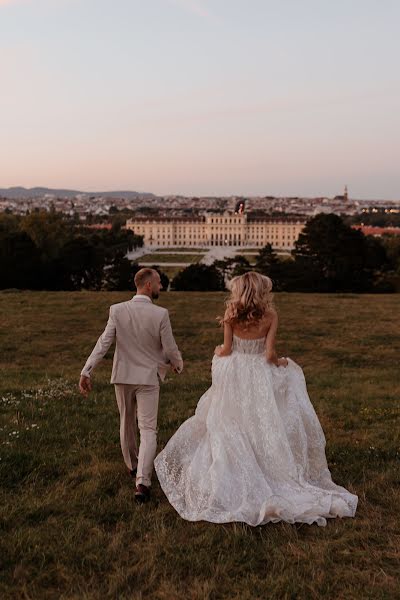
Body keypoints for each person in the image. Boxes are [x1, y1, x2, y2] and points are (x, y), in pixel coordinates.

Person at [154, 271, 357, 526]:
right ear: (262, 292)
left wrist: (219, 351)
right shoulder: (270, 316)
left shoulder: (230, 314)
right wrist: (283, 362)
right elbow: (270, 355)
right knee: (263, 419)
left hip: (237, 372)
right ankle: (268, 464)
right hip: (258, 372)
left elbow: (227, 349)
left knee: (235, 418)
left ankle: (240, 466)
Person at [79, 268, 183, 503]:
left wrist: (87, 370)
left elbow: (103, 343)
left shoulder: (117, 310)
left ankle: (132, 465)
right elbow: (169, 348)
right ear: (147, 285)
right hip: (147, 378)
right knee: (148, 429)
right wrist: (178, 364)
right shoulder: (160, 314)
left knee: (126, 422)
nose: (160, 286)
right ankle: (143, 482)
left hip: (123, 376)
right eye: (158, 283)